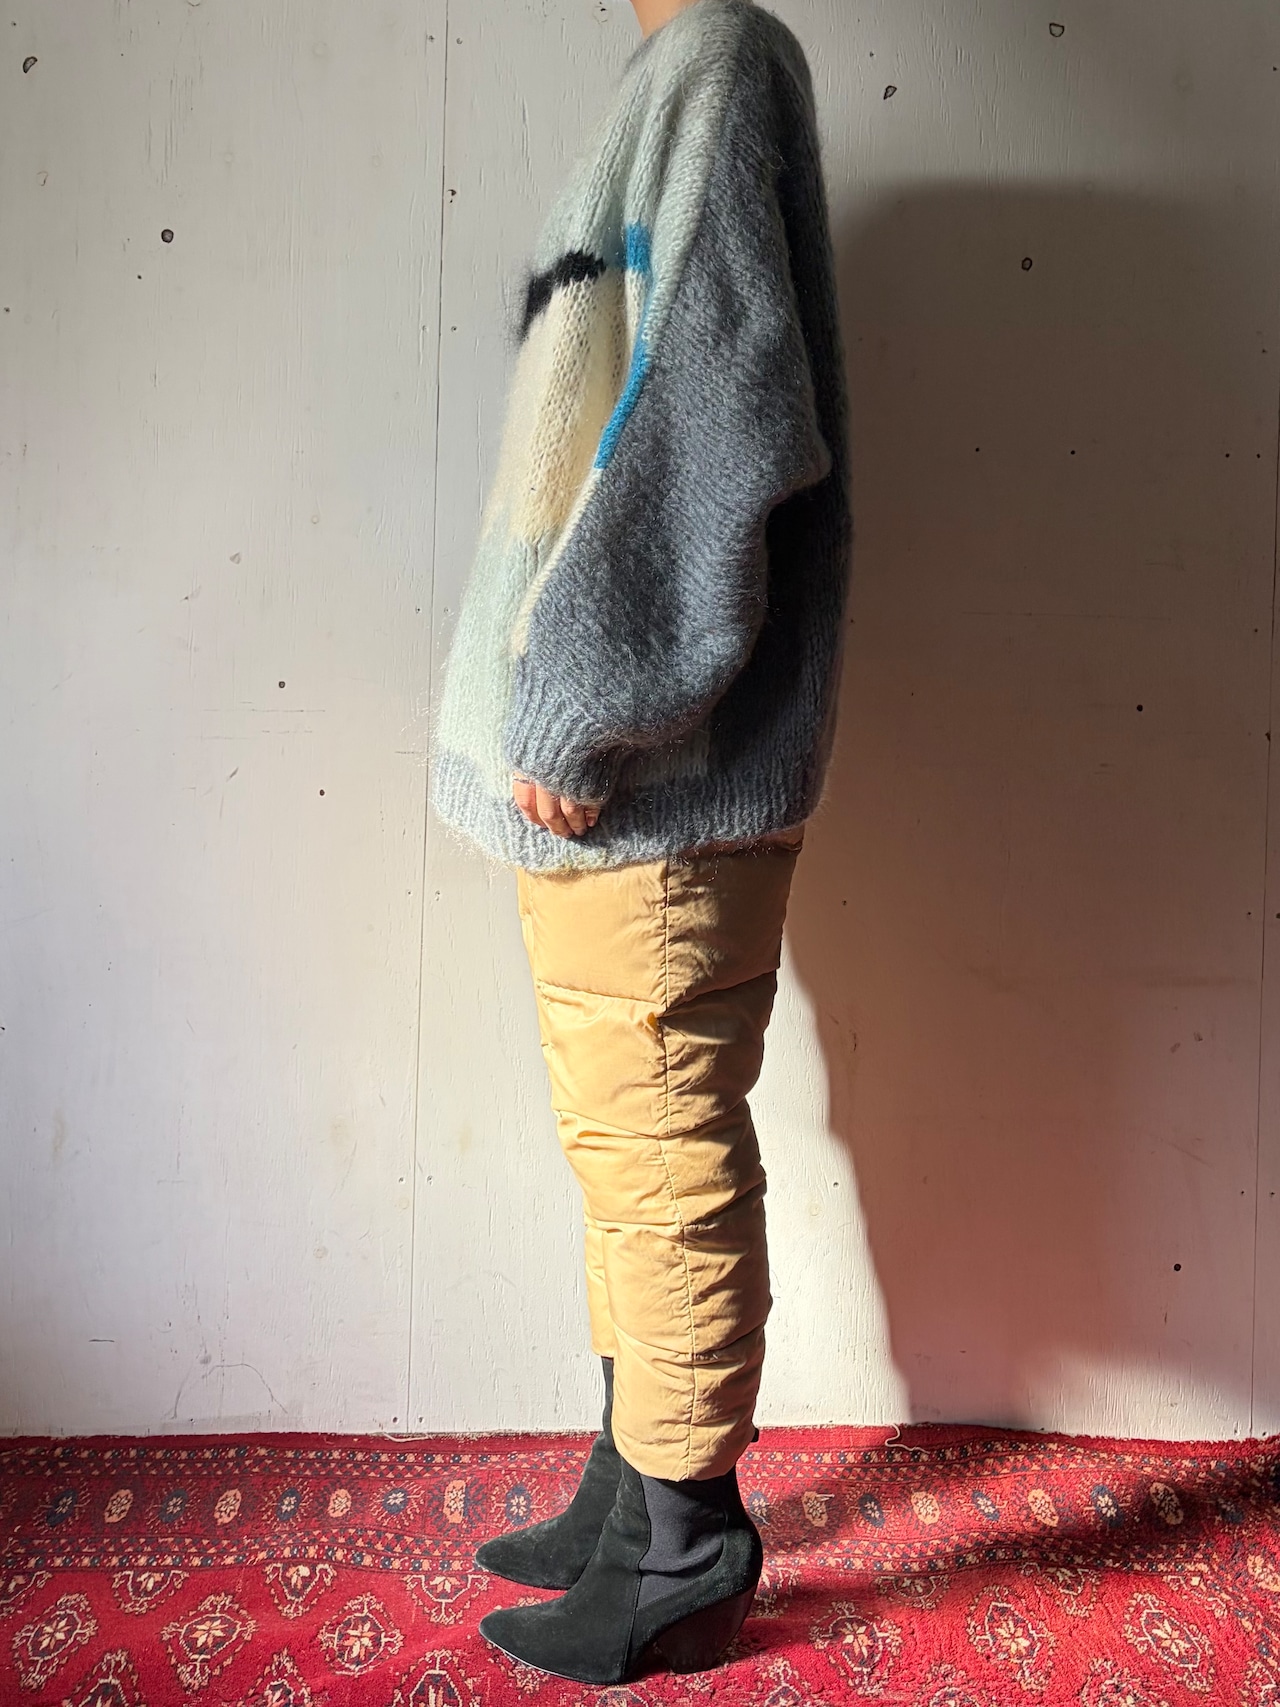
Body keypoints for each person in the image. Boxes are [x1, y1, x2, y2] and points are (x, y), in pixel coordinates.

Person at [429, 0, 851, 1683]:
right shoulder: (687, 74)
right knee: (627, 1149)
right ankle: (631, 1488)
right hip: (615, 780)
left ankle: (684, 1543)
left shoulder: (721, 62)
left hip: (642, 776)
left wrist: (583, 697)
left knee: (663, 1153)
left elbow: (715, 417)